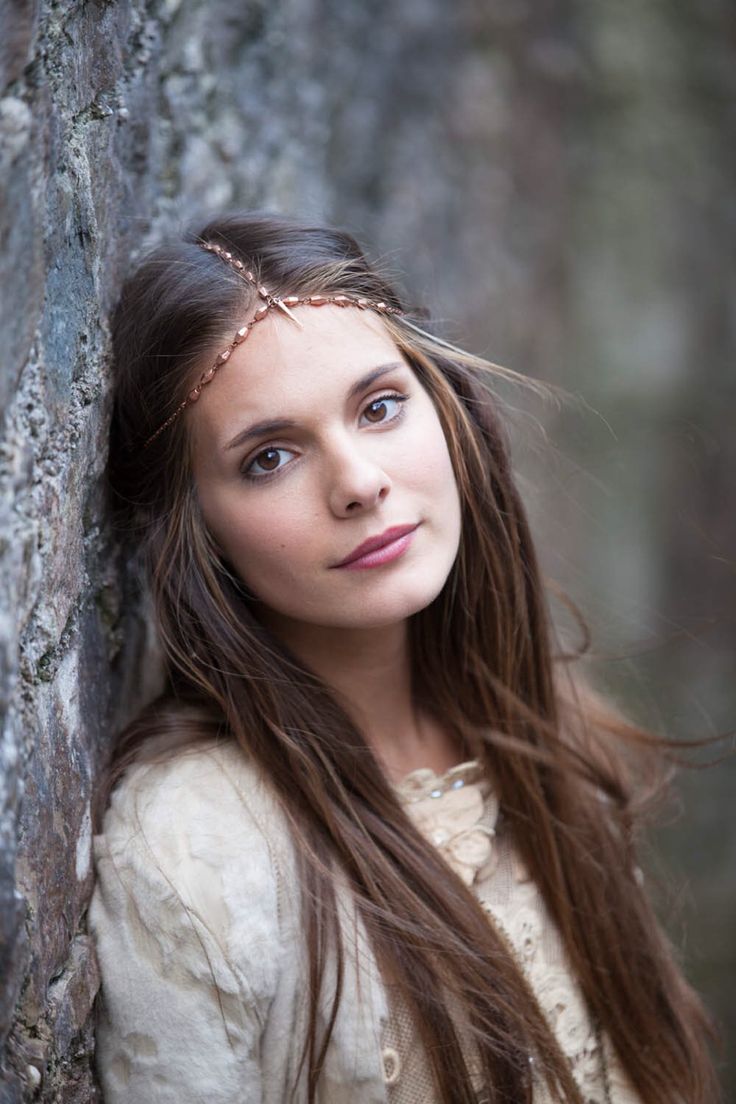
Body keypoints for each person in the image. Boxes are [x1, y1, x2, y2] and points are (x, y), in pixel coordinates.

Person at [88, 210, 721, 1104]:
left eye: (379, 407)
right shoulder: (199, 851)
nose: (358, 483)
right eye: (269, 457)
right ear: (198, 531)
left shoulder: (541, 733)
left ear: (446, 407)